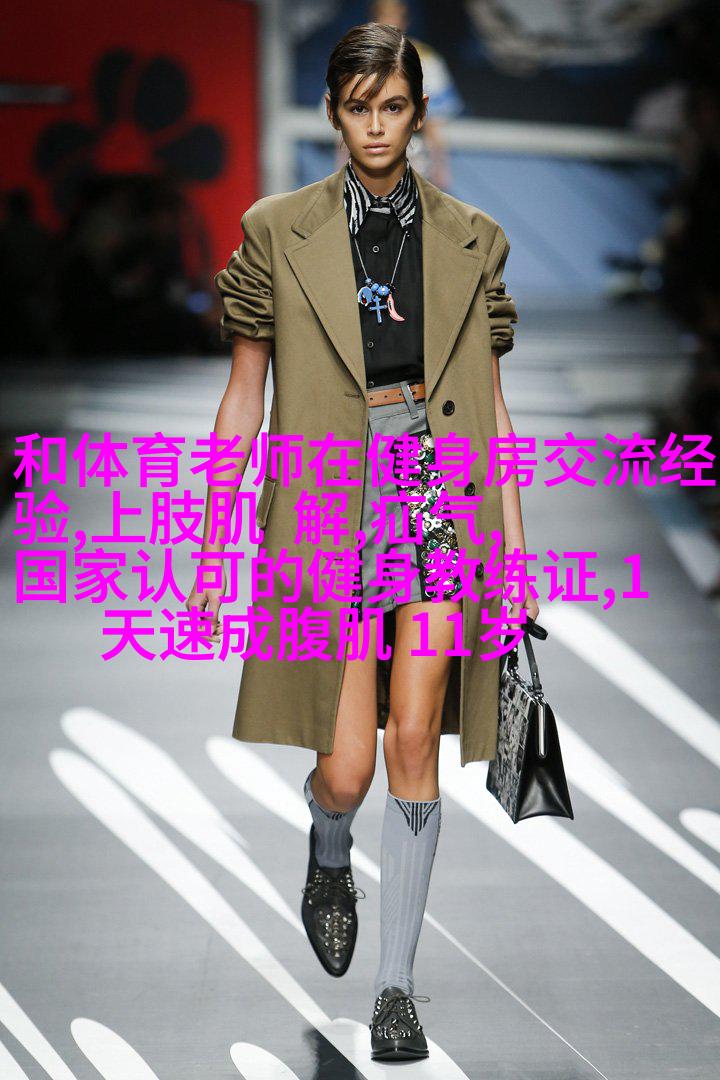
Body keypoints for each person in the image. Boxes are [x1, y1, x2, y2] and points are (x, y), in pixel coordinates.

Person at [188, 21, 536, 1063]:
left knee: (413, 741)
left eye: (393, 108)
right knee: (345, 769)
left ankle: (396, 991)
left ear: (418, 114)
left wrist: (516, 560)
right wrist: (211, 544)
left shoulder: (473, 238)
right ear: (334, 114)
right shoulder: (276, 230)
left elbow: (494, 409)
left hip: (437, 492)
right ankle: (330, 842)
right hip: (327, 501)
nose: (377, 127)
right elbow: (243, 397)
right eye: (358, 108)